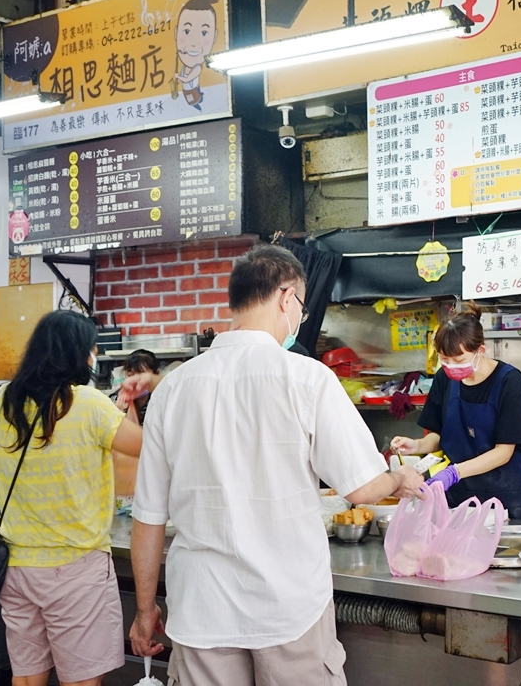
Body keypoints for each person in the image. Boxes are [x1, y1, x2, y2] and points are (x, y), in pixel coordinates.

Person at [128, 245, 423, 686]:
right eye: (301, 308)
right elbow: (362, 490)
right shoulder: (306, 377)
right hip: (289, 607)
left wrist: (145, 608)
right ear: (287, 299)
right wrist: (401, 476)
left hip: (202, 611)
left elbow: (148, 517)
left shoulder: (173, 389)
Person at [0, 310, 145, 686]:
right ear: (80, 353)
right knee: (80, 681)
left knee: (26, 678)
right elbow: (150, 448)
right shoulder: (87, 404)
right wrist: (134, 402)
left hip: (16, 566)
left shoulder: (3, 401)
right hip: (74, 568)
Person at [391, 302, 521, 521]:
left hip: (504, 499)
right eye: (444, 360)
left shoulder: (509, 381)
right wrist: (417, 445)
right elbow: (439, 436)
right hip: (457, 497)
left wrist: (454, 472)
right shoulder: (444, 379)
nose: (451, 367)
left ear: (480, 351)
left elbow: (504, 452)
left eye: (459, 360)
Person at [111, 349, 158, 502]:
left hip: (154, 470)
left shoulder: (161, 398)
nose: (135, 380)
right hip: (124, 479)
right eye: (130, 374)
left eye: (140, 374)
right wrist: (118, 411)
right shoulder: (114, 399)